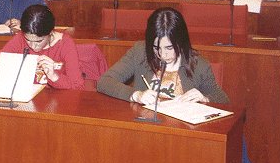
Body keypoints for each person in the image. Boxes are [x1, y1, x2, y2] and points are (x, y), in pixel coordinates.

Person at [97, 7, 228, 105]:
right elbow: (104, 81)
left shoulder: (199, 65)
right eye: (156, 48)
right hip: (145, 125)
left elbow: (223, 99)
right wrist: (136, 95)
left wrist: (205, 98)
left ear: (181, 42)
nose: (162, 54)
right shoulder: (140, 52)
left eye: (169, 48)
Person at [0, 4, 84, 97]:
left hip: (58, 101)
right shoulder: (19, 39)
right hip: (27, 100)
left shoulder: (65, 44)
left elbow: (78, 86)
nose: (33, 46)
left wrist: (54, 76)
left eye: (39, 41)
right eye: (28, 40)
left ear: (50, 33)